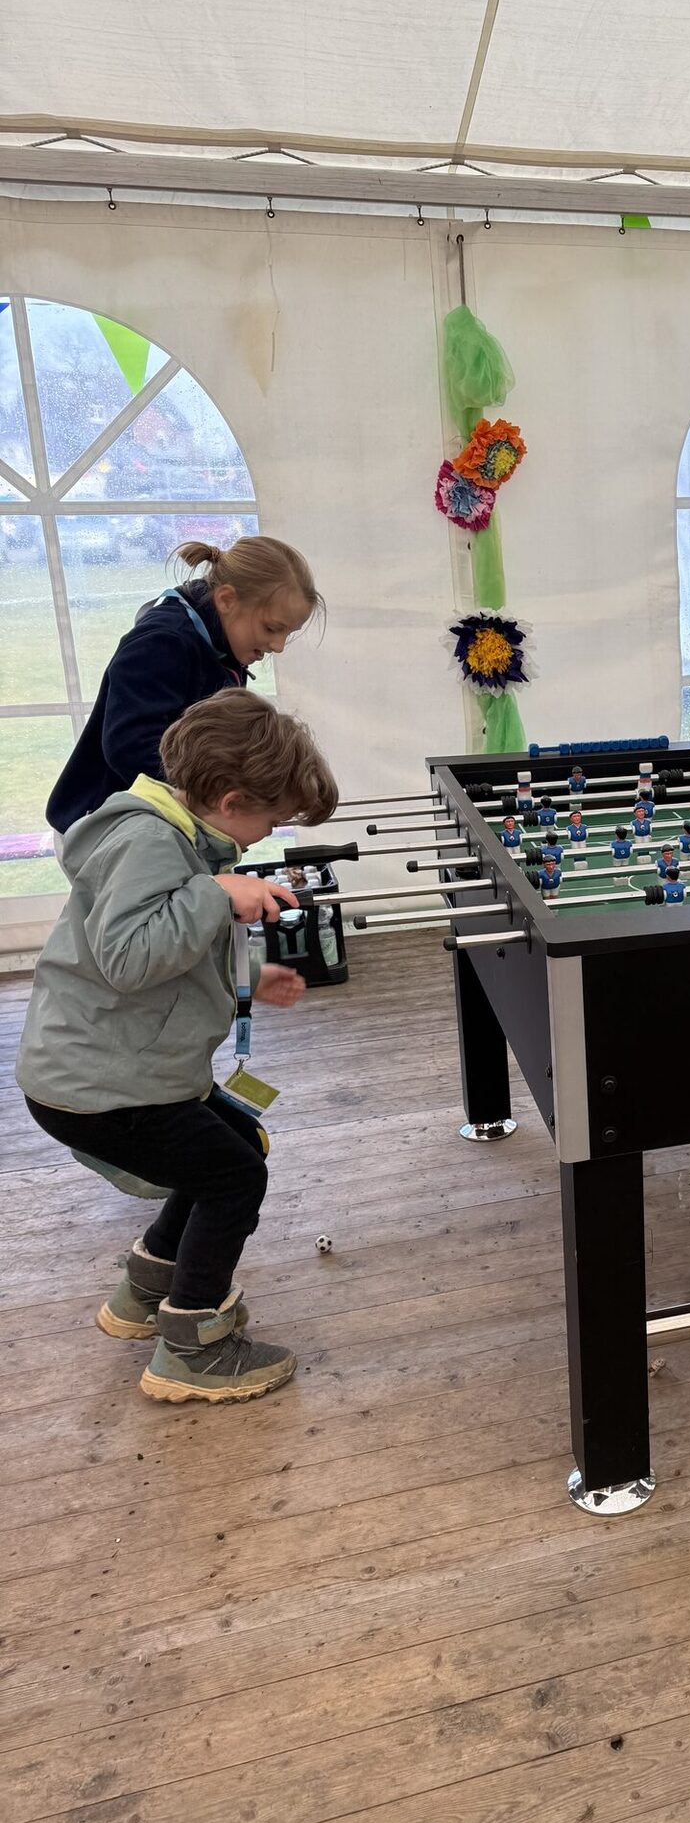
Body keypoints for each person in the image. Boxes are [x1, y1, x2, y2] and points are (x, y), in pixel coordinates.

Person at [16, 690, 338, 1403]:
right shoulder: (147, 843)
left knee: (235, 1143)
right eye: (270, 821)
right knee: (233, 1177)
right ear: (230, 801)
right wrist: (217, 894)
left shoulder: (178, 837)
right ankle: (193, 1348)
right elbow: (130, 958)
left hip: (120, 1070)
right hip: (102, 1084)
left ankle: (147, 1289)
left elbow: (172, 949)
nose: (265, 837)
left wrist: (251, 975)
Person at [46, 537, 323, 834]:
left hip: (159, 822)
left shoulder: (223, 645)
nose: (278, 646)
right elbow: (129, 745)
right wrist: (209, 797)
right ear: (227, 600)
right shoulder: (163, 642)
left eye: (288, 633)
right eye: (271, 628)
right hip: (104, 828)